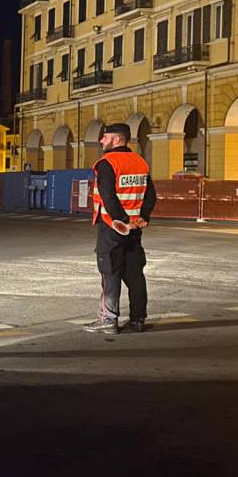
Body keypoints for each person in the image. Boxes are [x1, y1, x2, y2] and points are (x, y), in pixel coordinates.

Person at [83, 122, 157, 335]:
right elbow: (151, 195)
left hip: (113, 227)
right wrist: (142, 217)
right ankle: (138, 320)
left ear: (115, 139)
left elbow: (108, 196)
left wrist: (121, 219)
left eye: (104, 138)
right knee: (135, 274)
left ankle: (108, 320)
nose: (101, 141)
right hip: (135, 229)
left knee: (110, 272)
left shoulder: (107, 163)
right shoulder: (140, 162)